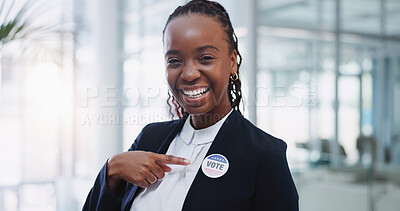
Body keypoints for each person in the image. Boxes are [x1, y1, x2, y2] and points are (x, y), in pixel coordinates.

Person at [83, 0, 298, 210]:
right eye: (174, 61)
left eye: (205, 58)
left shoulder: (263, 154)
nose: (189, 74)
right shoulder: (150, 138)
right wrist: (113, 168)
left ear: (232, 62)